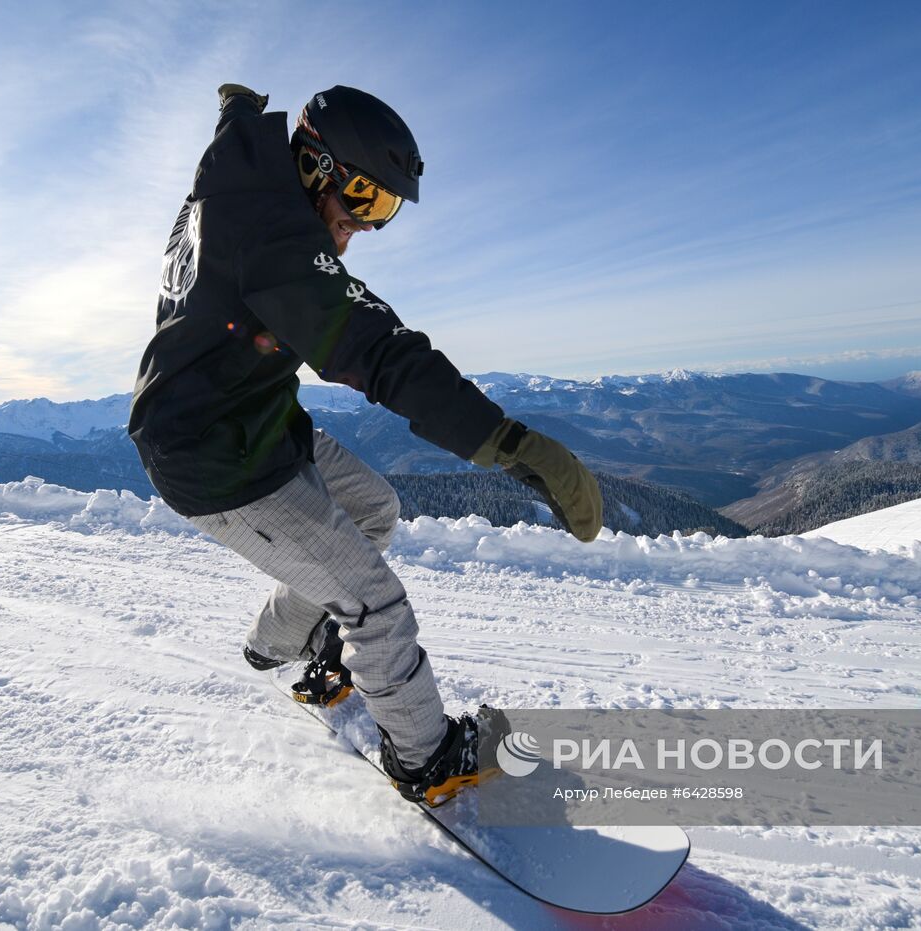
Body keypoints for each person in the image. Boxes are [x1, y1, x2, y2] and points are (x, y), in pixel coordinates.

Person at [128, 83, 603, 806]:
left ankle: (290, 642)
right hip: (216, 457)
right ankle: (426, 757)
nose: (363, 226)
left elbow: (232, 145)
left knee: (375, 509)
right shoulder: (274, 236)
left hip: (251, 417)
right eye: (362, 198)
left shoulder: (245, 178)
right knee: (377, 606)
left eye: (382, 210)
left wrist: (239, 113)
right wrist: (510, 443)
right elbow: (379, 351)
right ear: (315, 165)